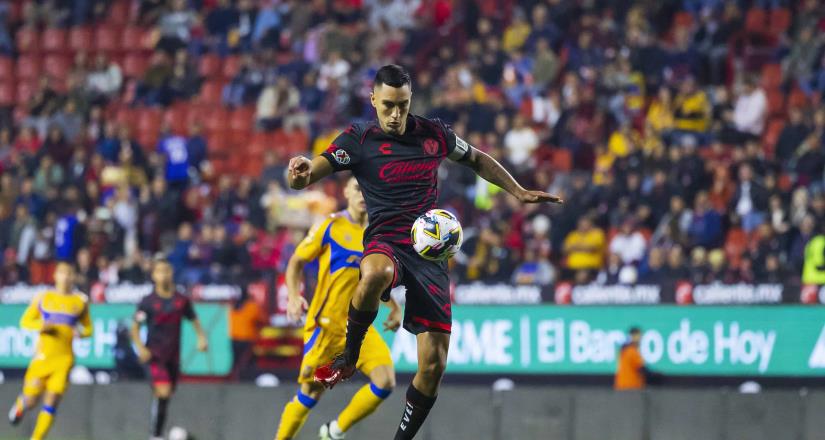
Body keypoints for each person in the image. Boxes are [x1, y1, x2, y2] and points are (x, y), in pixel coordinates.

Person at [286, 64, 562, 439]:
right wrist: (299, 175)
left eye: (402, 105)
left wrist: (518, 191)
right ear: (373, 101)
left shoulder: (433, 134)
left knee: (433, 366)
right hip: (386, 240)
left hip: (429, 252)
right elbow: (310, 172)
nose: (396, 114)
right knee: (375, 274)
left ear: (410, 99)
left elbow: (478, 158)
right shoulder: (358, 139)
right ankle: (349, 358)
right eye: (387, 106)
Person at [275, 177, 402, 440]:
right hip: (327, 328)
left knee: (385, 381)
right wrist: (293, 296)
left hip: (358, 328)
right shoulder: (331, 225)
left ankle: (334, 432)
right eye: (358, 188)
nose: (363, 194)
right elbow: (296, 261)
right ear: (346, 192)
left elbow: (373, 280)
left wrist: (394, 306)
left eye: (368, 188)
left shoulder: (379, 236)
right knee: (311, 393)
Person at [7, 262, 92, 440]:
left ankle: (36, 438)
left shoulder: (80, 302)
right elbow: (25, 322)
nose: (66, 276)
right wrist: (41, 326)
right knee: (31, 400)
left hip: (64, 359)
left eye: (70, 273)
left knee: (52, 398)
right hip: (43, 357)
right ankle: (21, 404)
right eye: (62, 272)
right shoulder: (43, 298)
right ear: (55, 275)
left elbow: (88, 329)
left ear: (74, 277)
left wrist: (80, 333)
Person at [131, 256, 208, 440]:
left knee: (166, 395)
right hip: (154, 356)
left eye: (166, 271)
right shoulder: (148, 301)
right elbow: (135, 327)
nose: (163, 275)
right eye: (159, 272)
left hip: (173, 356)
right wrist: (141, 348)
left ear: (172, 273)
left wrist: (201, 338)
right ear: (154, 275)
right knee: (163, 390)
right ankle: (155, 435)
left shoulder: (181, 300)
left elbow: (193, 319)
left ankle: (157, 432)